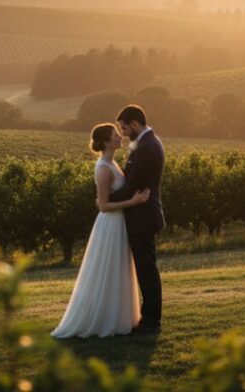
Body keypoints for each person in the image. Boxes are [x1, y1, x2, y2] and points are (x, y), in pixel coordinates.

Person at [51, 123, 149, 338]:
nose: (120, 138)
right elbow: (103, 205)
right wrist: (132, 202)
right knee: (108, 269)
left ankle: (118, 317)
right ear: (106, 142)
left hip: (119, 222)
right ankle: (104, 320)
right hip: (110, 224)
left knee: (117, 269)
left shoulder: (112, 163)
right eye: (115, 135)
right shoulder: (104, 168)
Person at [108, 104, 165, 333]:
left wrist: (106, 199)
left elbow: (133, 186)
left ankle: (151, 321)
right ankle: (148, 317)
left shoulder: (146, 148)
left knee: (146, 270)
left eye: (123, 127)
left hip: (142, 217)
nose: (122, 133)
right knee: (145, 269)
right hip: (141, 215)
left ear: (134, 124)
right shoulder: (147, 143)